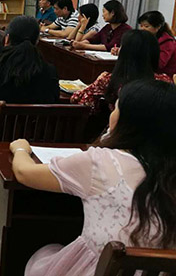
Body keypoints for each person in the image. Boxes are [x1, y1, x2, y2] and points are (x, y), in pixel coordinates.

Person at [11, 79, 176, 276]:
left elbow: (24, 173)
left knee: (39, 254)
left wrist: (20, 149)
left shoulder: (101, 162)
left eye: (117, 108)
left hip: (93, 270)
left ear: (129, 121)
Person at [0, 16, 59, 143]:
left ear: (7, 39)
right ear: (37, 41)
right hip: (36, 146)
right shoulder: (49, 70)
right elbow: (54, 99)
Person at [71, 30, 172, 114]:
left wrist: (95, 84)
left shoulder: (109, 79)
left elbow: (79, 100)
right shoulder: (164, 81)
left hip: (119, 130)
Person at [138, 11, 176, 77]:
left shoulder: (167, 42)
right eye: (141, 26)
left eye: (146, 26)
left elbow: (159, 64)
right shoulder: (147, 37)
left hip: (165, 77)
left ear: (158, 27)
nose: (142, 29)